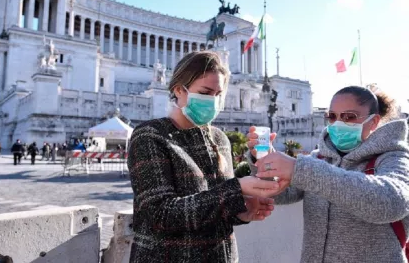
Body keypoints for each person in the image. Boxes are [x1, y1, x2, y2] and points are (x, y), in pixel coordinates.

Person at [127, 51, 279, 263]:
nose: (213, 101)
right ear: (179, 90)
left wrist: (242, 211)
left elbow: (215, 207)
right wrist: (238, 188)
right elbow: (160, 215)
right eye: (206, 92)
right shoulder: (150, 135)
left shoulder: (220, 138)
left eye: (218, 94)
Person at [247, 85, 409, 262]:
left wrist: (300, 168)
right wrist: (264, 161)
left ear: (373, 121)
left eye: (349, 117)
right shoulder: (319, 157)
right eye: (332, 116)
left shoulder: (394, 156)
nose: (338, 123)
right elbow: (281, 194)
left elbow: (391, 202)